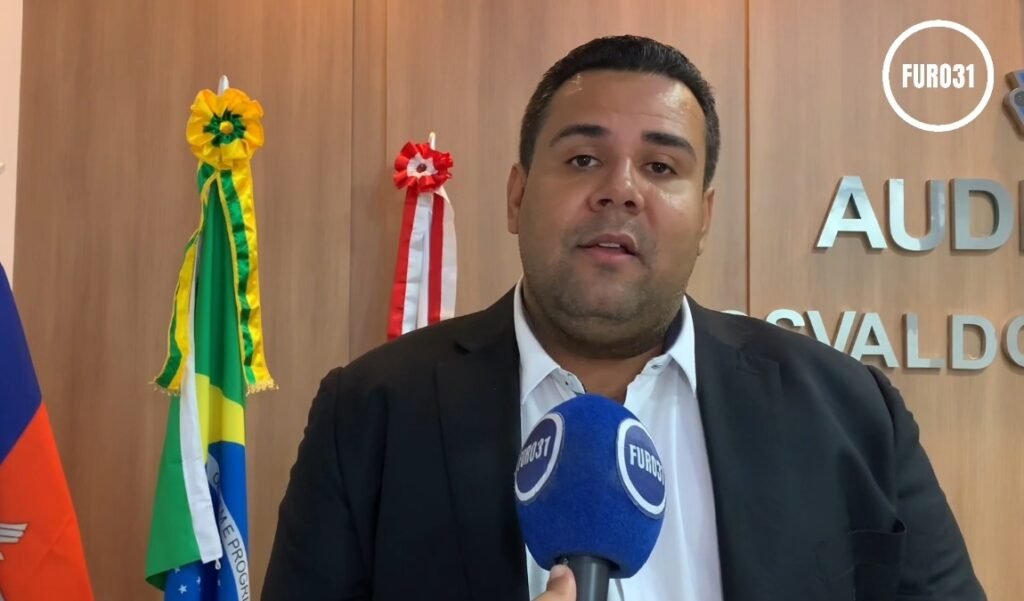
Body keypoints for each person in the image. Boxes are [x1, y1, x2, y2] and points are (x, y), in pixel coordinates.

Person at [262, 35, 985, 601]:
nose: (621, 190)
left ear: (704, 217)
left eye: (662, 168)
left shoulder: (850, 412)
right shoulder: (371, 413)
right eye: (583, 159)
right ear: (516, 197)